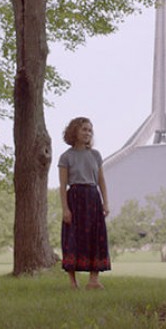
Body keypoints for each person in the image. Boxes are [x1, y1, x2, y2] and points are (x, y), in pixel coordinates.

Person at [58, 116, 111, 289]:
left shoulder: (95, 155)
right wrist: (65, 208)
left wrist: (105, 203)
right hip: (75, 199)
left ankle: (93, 280)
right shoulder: (66, 157)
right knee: (72, 238)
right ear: (74, 131)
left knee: (95, 237)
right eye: (84, 129)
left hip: (93, 198)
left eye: (90, 130)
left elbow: (101, 180)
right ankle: (73, 282)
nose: (87, 133)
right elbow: (62, 185)